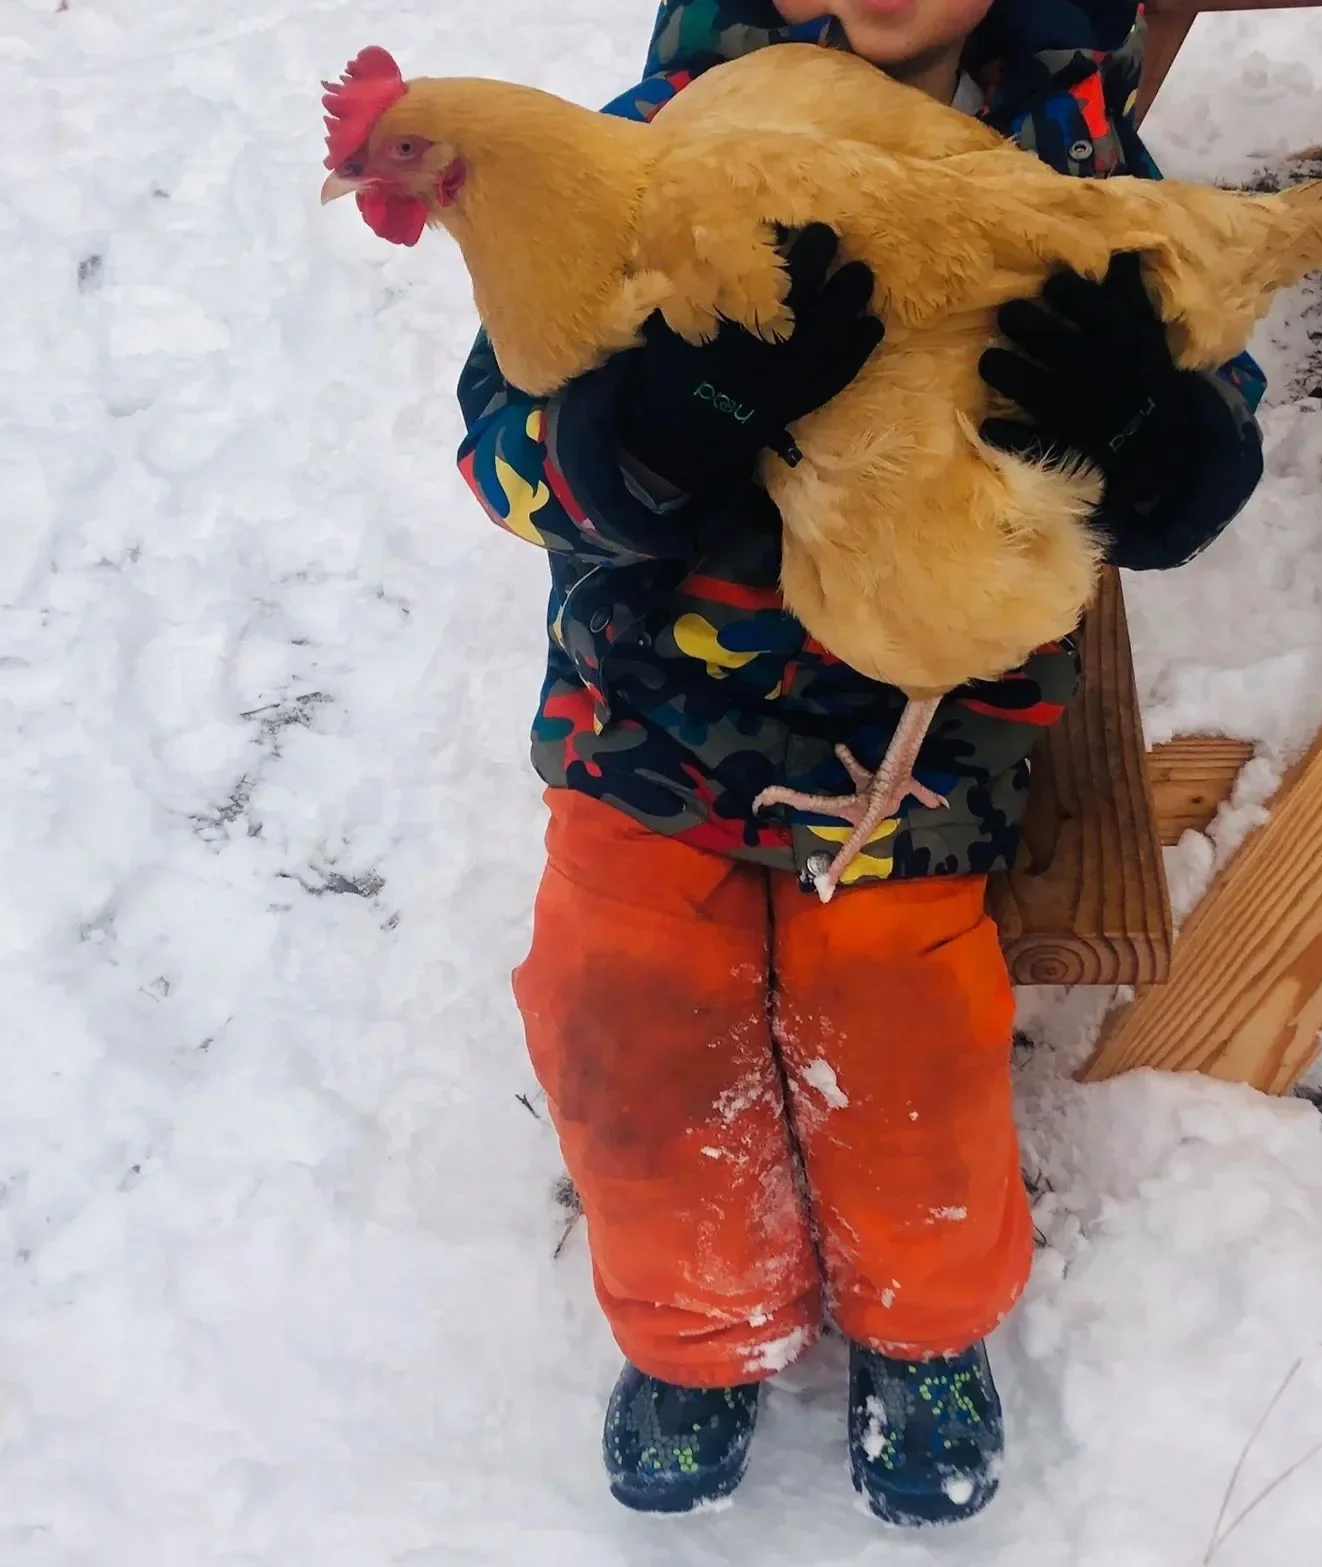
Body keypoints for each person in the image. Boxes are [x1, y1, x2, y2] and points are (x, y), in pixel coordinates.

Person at [455, 0, 1266, 1527]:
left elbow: (1217, 369)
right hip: (649, 720)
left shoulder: (1068, 157)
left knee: (900, 1021)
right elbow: (497, 445)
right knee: (623, 1006)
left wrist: (1157, 441)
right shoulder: (659, 142)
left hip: (922, 731)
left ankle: (924, 1320)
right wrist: (645, 438)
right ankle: (701, 1329)